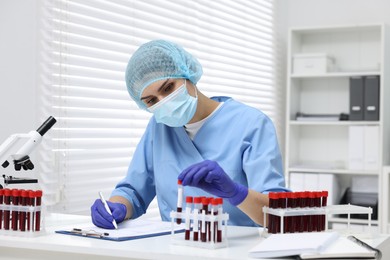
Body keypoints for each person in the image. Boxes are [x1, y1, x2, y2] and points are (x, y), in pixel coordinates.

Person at [90, 40, 288, 229]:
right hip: (176, 248)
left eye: (168, 88)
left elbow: (277, 214)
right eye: (151, 101)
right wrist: (117, 206)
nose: (163, 102)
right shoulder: (159, 127)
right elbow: (133, 191)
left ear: (187, 74)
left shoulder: (251, 124)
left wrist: (236, 193)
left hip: (236, 249)